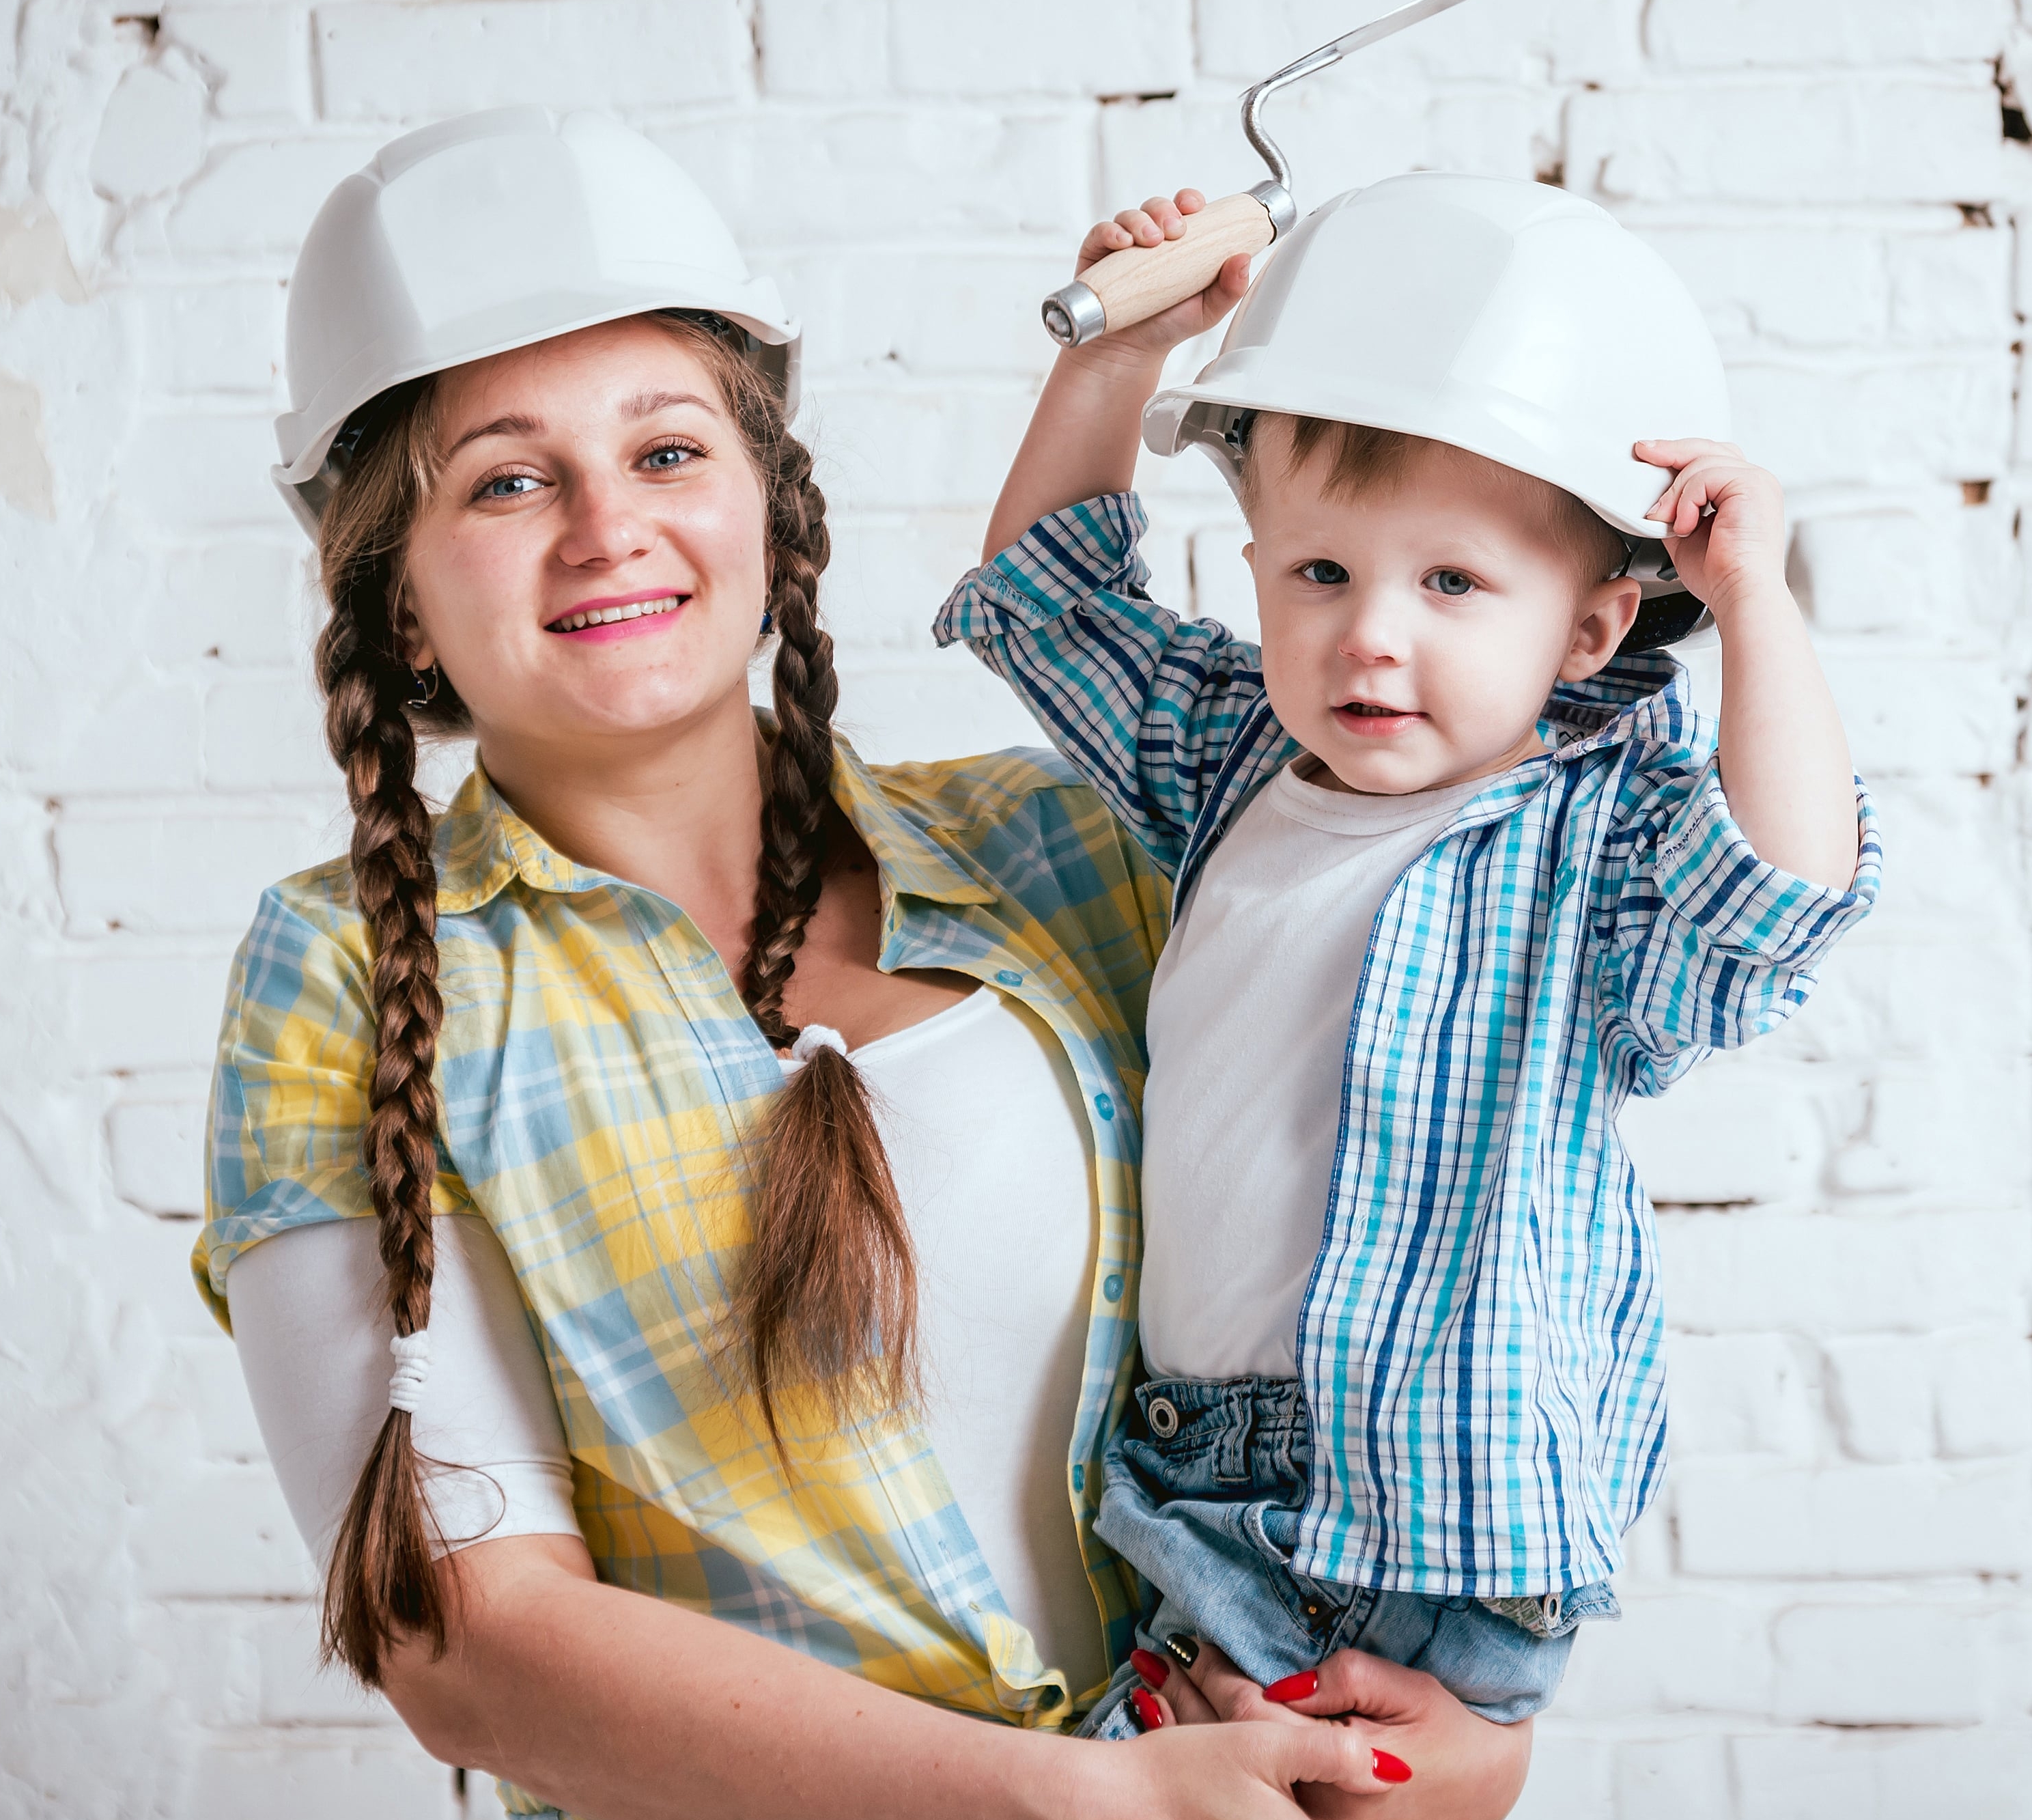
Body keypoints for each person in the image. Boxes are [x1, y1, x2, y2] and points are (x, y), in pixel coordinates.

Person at [194, 109, 1537, 1819]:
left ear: (771, 497)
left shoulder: (1069, 852)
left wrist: (1457, 1718)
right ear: (392, 587)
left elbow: (1425, 1221)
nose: (608, 525)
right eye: (510, 477)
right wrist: (1077, 1801)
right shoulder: (349, 977)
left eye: (668, 450)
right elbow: (467, 1639)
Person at [941, 176, 1883, 1739]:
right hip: (1193, 1475)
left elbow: (1776, 900)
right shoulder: (1233, 757)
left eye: (1450, 584)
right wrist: (1117, 357)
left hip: (1421, 1506)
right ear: (1249, 574)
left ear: (1585, 634)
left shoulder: (1588, 836)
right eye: (1320, 574)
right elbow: (1048, 612)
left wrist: (1754, 610)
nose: (1370, 633)